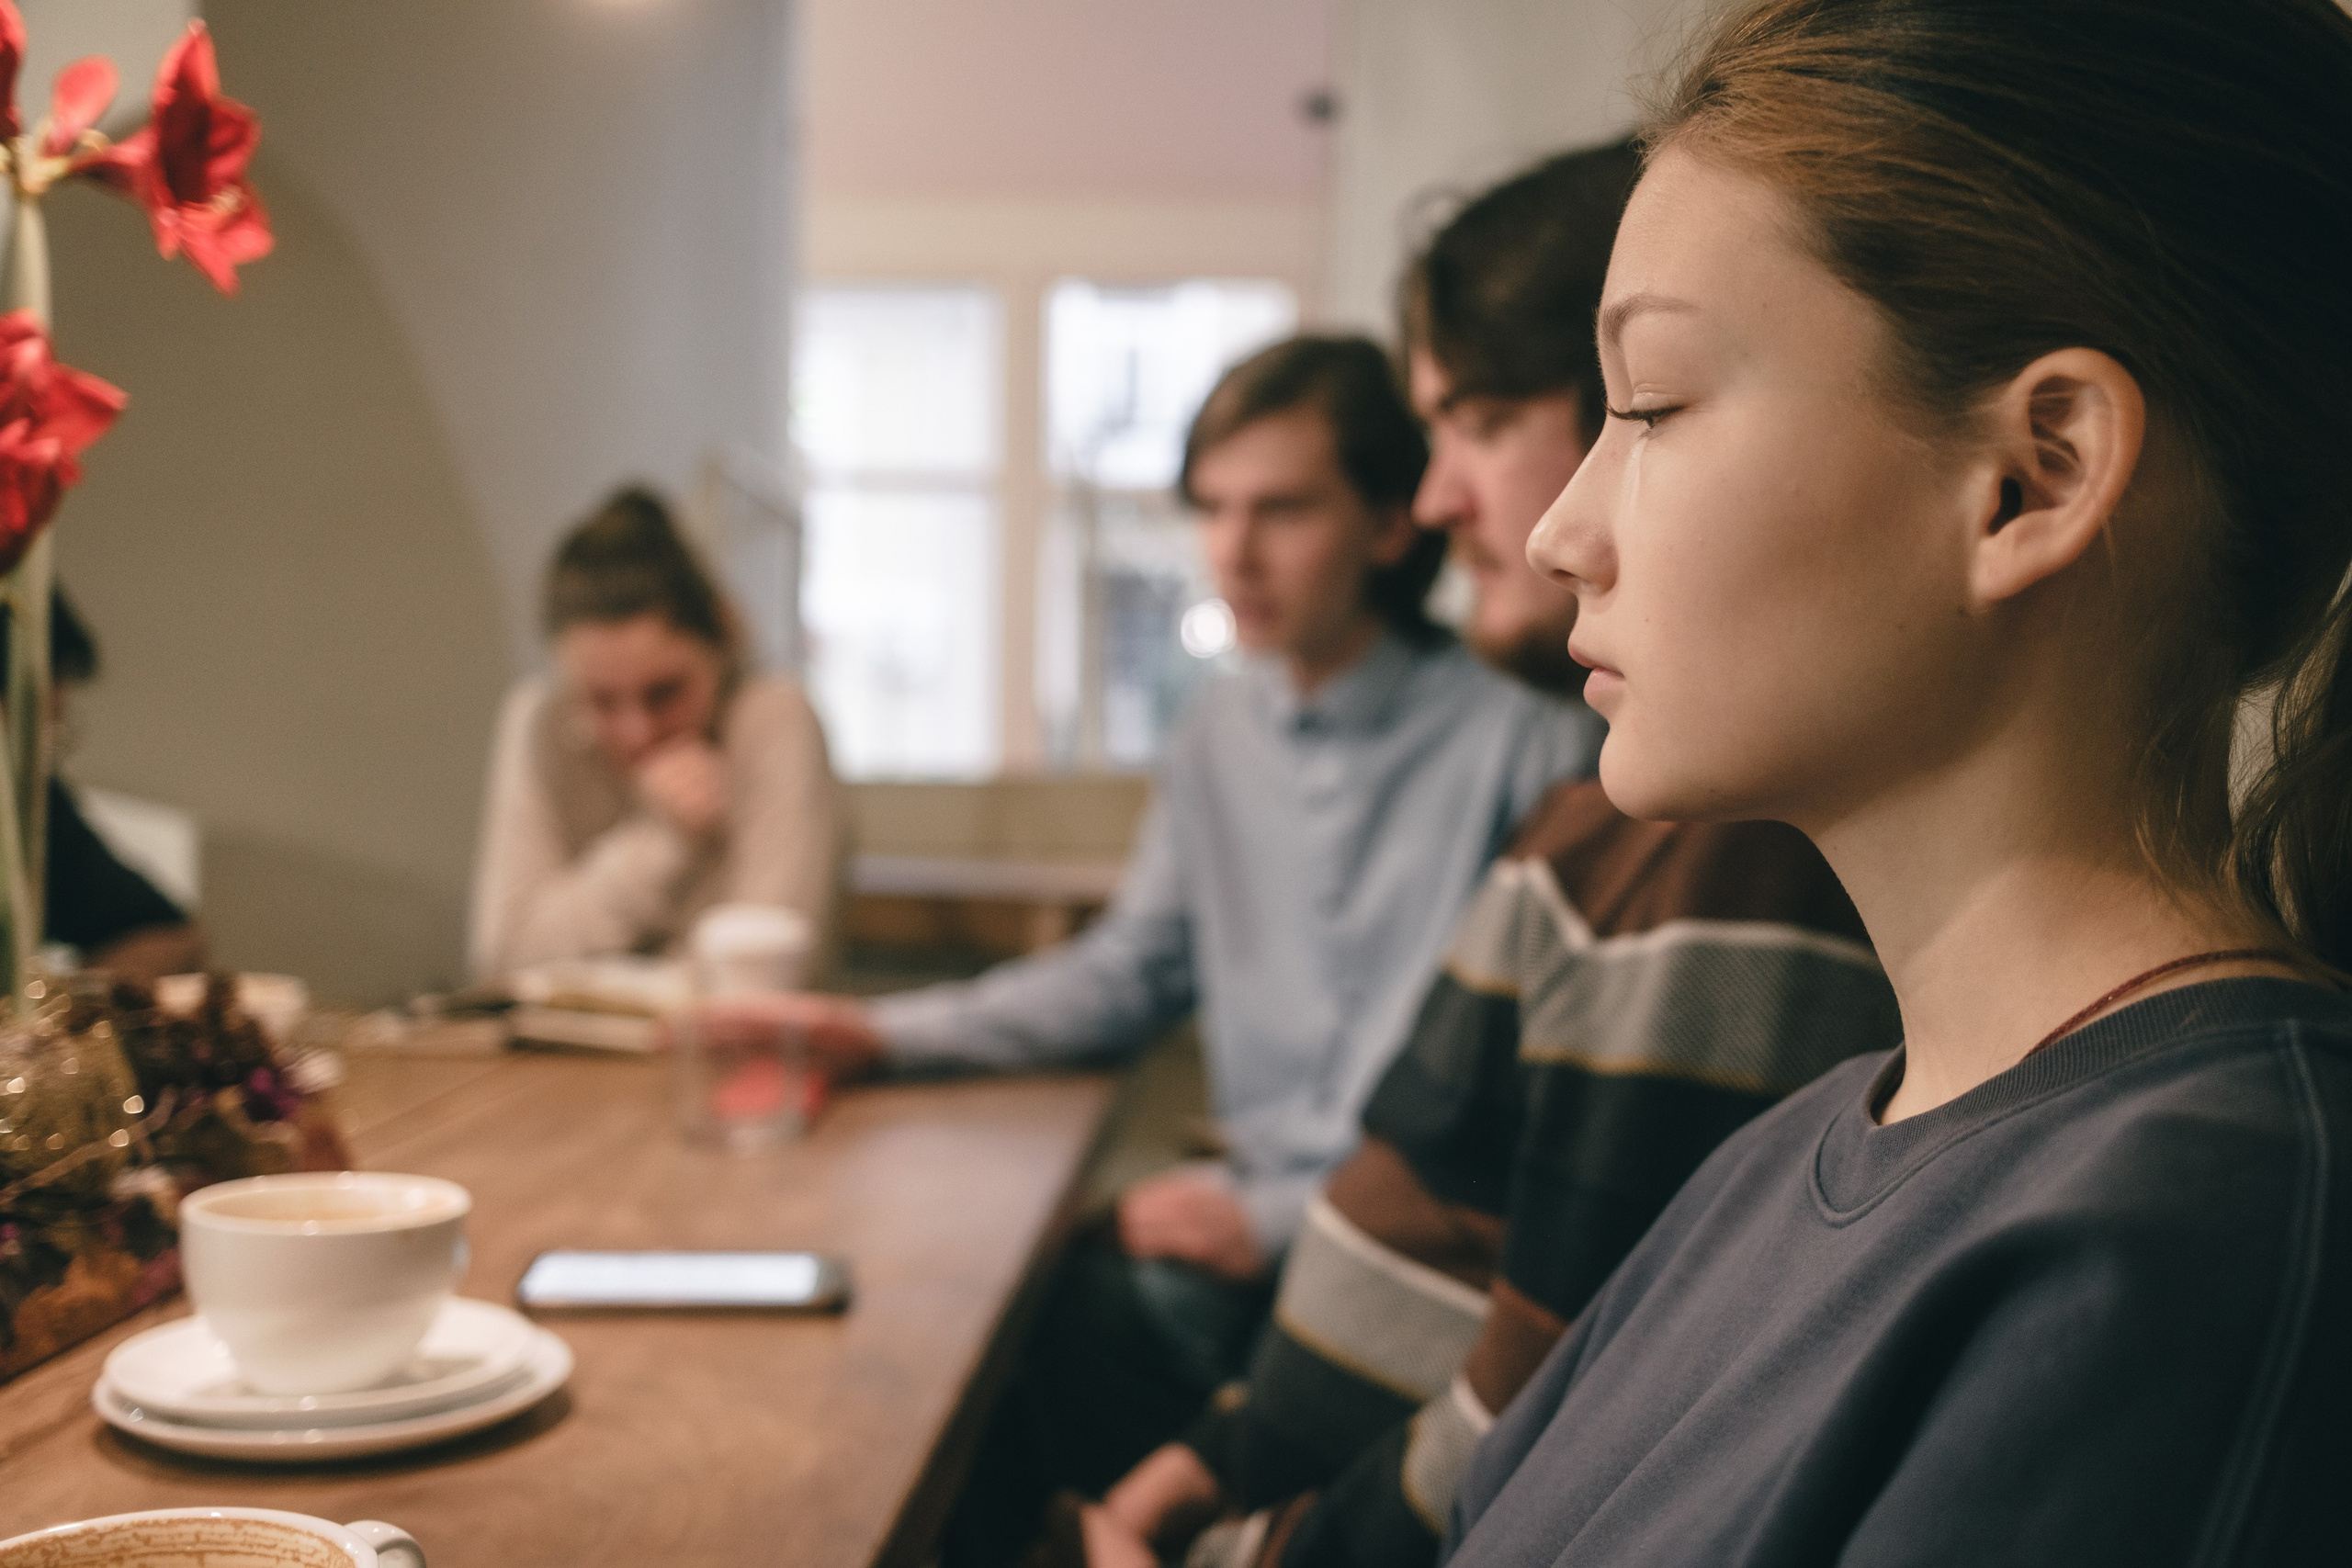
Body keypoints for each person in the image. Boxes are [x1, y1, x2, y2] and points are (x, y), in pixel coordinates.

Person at [1429, 2, 2352, 1563]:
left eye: (1650, 407)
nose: (1557, 532)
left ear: (2034, 475)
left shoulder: (2199, 1236)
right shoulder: (1780, 1158)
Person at [1069, 143, 1899, 1568]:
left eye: (1646, 411)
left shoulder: (1687, 842)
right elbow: (1453, 1239)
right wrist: (1221, 1452)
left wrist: (1236, 1537)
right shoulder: (1589, 824)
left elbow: (1564, 1409)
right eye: (1208, 508)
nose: (1464, 502)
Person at [772, 335, 1600, 1564]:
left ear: (1391, 522)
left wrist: (1269, 1217)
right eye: (1211, 509)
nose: (1231, 551)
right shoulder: (1217, 729)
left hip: (1402, 1258)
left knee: (1024, 1340)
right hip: (1254, 1226)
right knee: (954, 1310)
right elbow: (1126, 972)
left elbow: (1519, 1118)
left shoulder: (1528, 734)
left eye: (1282, 509)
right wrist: (877, 1033)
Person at [469, 486, 844, 980]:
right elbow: (504, 958)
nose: (637, 732)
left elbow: (766, 974)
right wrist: (659, 843)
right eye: (601, 701)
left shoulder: (774, 718)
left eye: (664, 693)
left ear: (725, 639)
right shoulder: (541, 719)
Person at [16, 588, 208, 983]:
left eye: (52, 736)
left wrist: (70, 1005)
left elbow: (166, 933)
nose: (37, 757)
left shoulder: (28, 801)